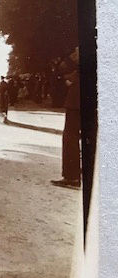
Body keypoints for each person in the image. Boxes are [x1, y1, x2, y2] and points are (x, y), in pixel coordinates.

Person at [52, 48, 81, 189]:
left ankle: (72, 177)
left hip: (77, 100)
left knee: (70, 137)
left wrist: (71, 78)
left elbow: (64, 67)